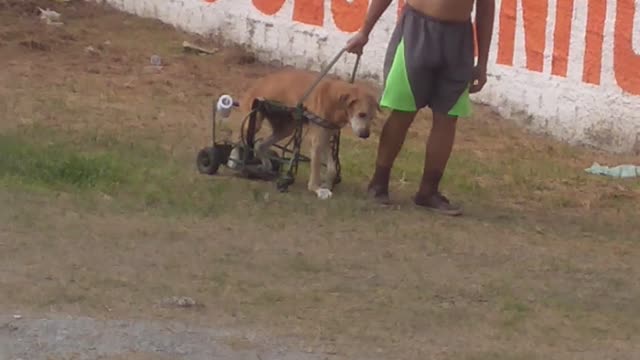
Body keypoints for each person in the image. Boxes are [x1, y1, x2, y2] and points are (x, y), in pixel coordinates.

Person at [345, 0, 495, 216]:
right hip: (417, 30)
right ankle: (379, 182)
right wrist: (364, 31)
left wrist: (482, 63)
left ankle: (429, 191)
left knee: (448, 116)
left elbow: (486, 8)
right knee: (403, 111)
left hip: (459, 39)